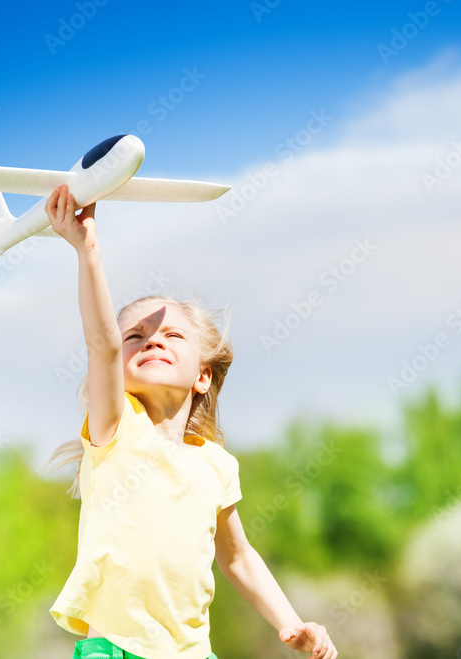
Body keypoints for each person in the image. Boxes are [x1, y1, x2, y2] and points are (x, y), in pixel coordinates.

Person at [42, 184, 338, 659]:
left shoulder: (217, 466)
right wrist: (88, 250)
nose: (151, 340)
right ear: (118, 368)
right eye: (135, 336)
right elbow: (102, 343)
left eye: (172, 334)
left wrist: (293, 624)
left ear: (202, 374)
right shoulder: (117, 429)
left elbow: (237, 555)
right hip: (116, 649)